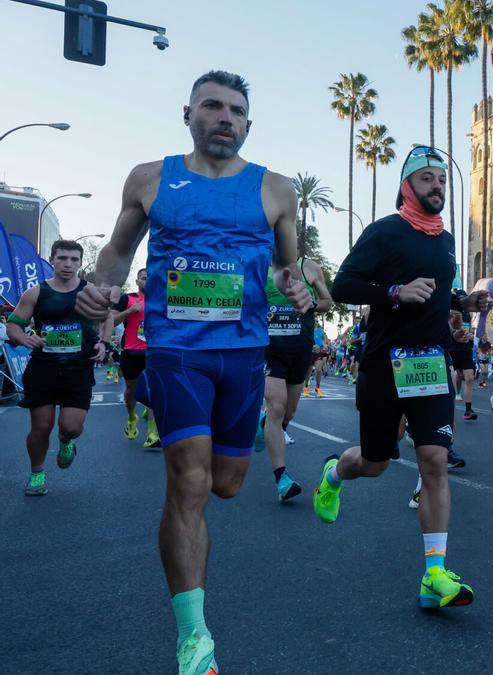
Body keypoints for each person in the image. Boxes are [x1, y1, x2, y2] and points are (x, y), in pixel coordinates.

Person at [74, 71, 313, 674]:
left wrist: (298, 285)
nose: (224, 117)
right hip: (176, 349)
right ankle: (193, 637)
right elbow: (118, 250)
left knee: (229, 484)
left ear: (249, 124)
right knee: (190, 482)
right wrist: (100, 287)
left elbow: (291, 267)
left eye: (235, 109)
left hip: (243, 354)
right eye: (213, 105)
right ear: (189, 114)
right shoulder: (151, 179)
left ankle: (253, 424)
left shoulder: (277, 190)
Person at [312, 145, 488, 610]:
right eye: (427, 178)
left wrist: (462, 302)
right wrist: (393, 291)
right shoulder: (385, 232)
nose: (438, 186)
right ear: (407, 187)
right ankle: (333, 473)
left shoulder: (445, 240)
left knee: (433, 460)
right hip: (384, 365)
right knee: (374, 464)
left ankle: (434, 575)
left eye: (442, 179)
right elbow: (344, 284)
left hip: (431, 362)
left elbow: (435, 289)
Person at [6, 240, 111, 495]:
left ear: (80, 263)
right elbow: (13, 325)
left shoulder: (91, 291)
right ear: (52, 259)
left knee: (71, 426)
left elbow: (108, 318)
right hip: (44, 366)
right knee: (41, 427)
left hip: (78, 368)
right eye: (63, 258)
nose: (68, 264)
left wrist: (104, 344)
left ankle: (66, 441)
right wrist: (24, 338)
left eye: (74, 259)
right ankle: (37, 473)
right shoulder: (35, 293)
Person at [255, 257, 332, 501]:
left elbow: (327, 302)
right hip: (269, 350)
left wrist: (310, 304)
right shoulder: (259, 265)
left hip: (300, 350)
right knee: (277, 408)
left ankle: (266, 423)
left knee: (288, 413)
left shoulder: (309, 267)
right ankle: (282, 478)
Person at [111, 268, 161, 448]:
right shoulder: (128, 298)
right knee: (131, 390)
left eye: (151, 278)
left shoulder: (162, 299)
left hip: (154, 352)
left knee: (152, 390)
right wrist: (129, 311)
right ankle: (132, 417)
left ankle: (153, 433)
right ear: (137, 281)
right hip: (131, 352)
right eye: (144, 278)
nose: (147, 281)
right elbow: (111, 321)